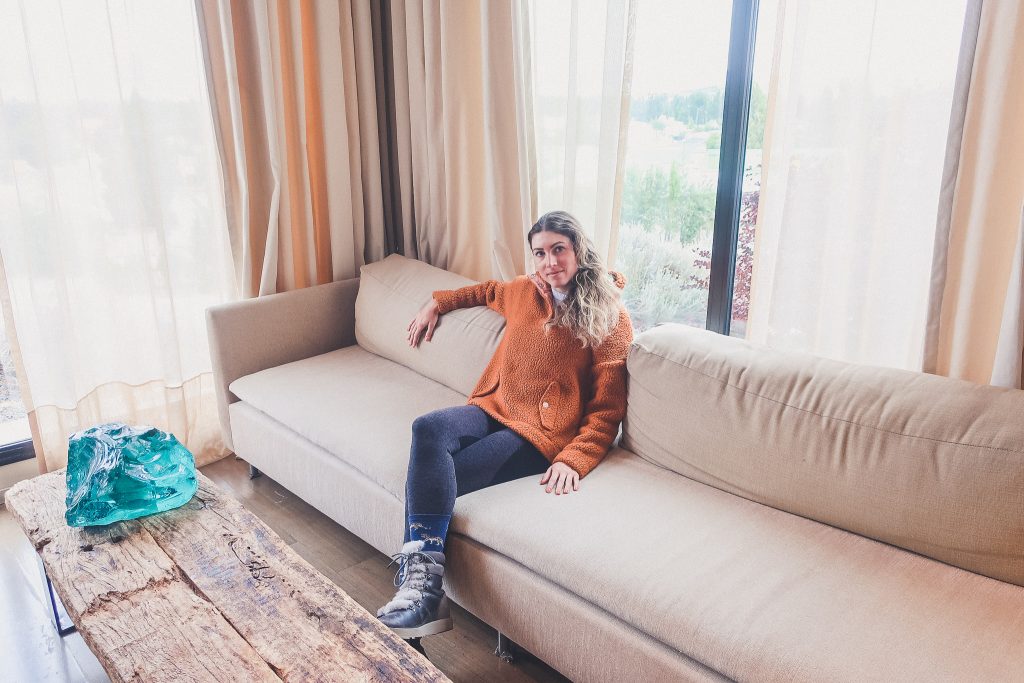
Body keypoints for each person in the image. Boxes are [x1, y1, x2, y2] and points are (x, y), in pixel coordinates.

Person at [375, 211, 633, 639]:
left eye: (558, 250)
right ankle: (421, 598)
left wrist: (576, 458)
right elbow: (485, 290)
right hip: (493, 406)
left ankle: (419, 599)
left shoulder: (610, 316)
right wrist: (436, 303)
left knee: (431, 481)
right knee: (427, 429)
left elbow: (608, 408)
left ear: (578, 250)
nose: (550, 263)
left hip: (540, 435)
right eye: (540, 253)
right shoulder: (522, 291)